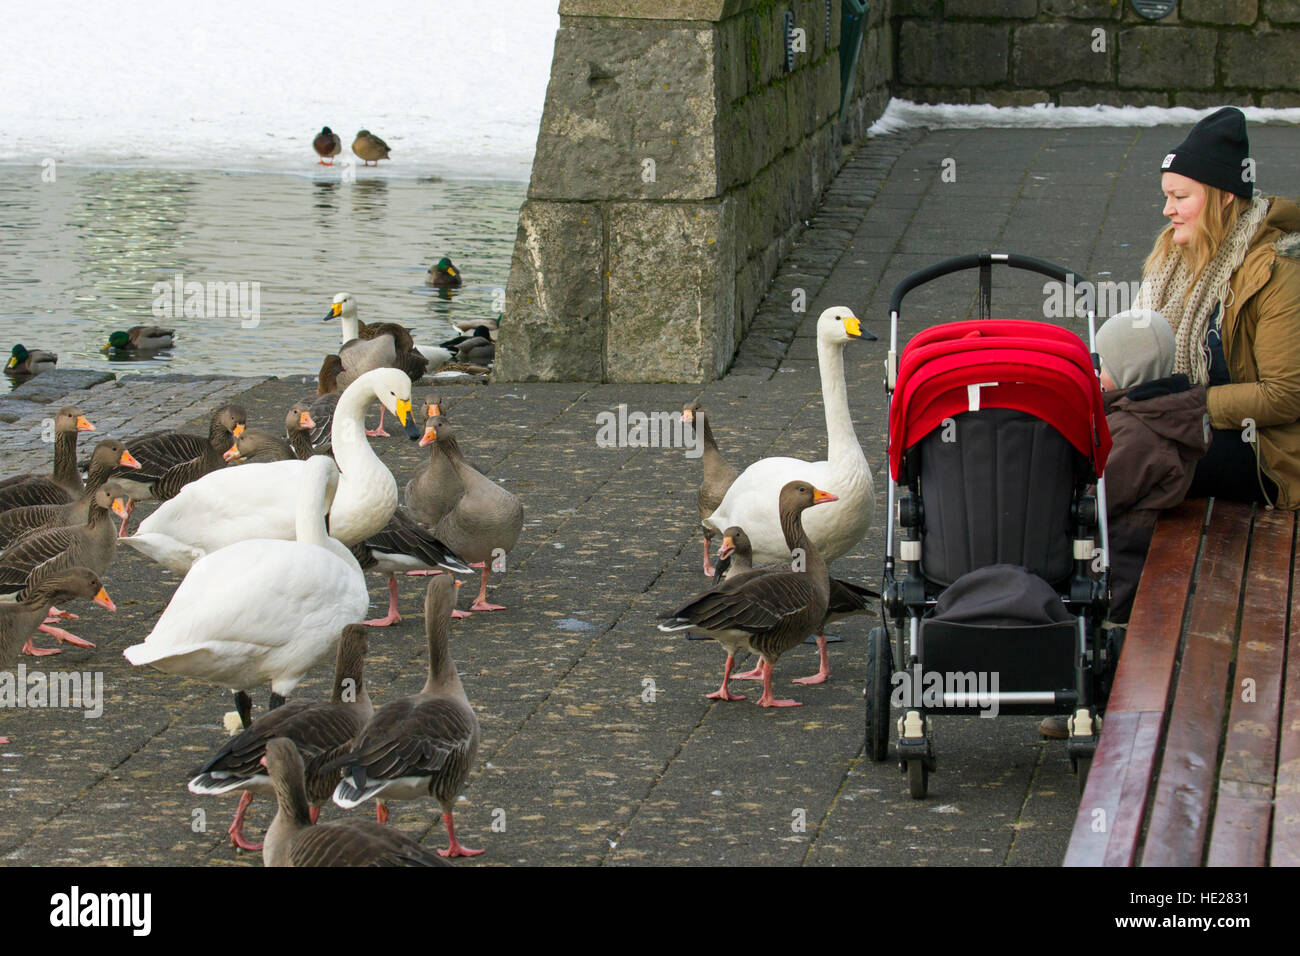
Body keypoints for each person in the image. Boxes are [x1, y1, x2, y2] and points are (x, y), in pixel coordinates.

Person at [1136, 106, 1300, 508]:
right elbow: (1139, 340)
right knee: (1107, 437)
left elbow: (1284, 396)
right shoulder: (1174, 255)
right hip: (1198, 422)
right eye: (1166, 196)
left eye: (1180, 197)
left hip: (1266, 449)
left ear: (1225, 197)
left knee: (1142, 459)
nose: (1167, 209)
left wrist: (1186, 406)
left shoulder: (1278, 270)